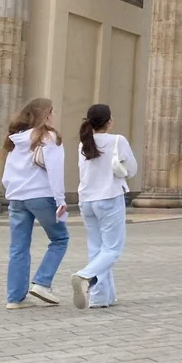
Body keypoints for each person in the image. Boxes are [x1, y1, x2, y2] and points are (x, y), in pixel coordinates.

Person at [2, 98, 69, 309]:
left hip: (16, 197)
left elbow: (7, 174)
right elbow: (55, 172)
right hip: (41, 195)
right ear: (46, 115)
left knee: (18, 247)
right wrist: (60, 199)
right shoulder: (49, 137)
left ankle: (15, 298)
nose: (54, 115)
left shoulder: (15, 139)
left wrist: (11, 191)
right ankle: (42, 283)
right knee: (60, 239)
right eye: (52, 111)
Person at [72, 104, 138, 310]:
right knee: (112, 249)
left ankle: (100, 298)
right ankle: (85, 276)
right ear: (109, 121)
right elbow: (132, 170)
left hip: (86, 199)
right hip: (109, 197)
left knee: (97, 248)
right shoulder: (117, 140)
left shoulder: (83, 143)